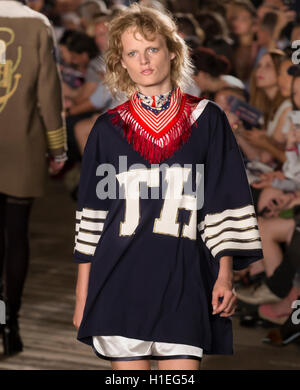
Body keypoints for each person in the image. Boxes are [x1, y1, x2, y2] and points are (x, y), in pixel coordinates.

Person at [72, 3, 263, 370]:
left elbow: (224, 201)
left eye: (152, 49)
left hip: (186, 279)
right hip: (118, 282)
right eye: (132, 53)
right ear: (121, 62)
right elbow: (91, 220)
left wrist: (225, 275)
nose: (144, 61)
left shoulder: (207, 119)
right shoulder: (107, 128)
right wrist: (83, 298)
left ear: (172, 52)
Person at [0, 0, 67, 355]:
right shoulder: (37, 25)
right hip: (21, 145)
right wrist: (58, 148)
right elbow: (48, 92)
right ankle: (10, 325)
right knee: (15, 238)